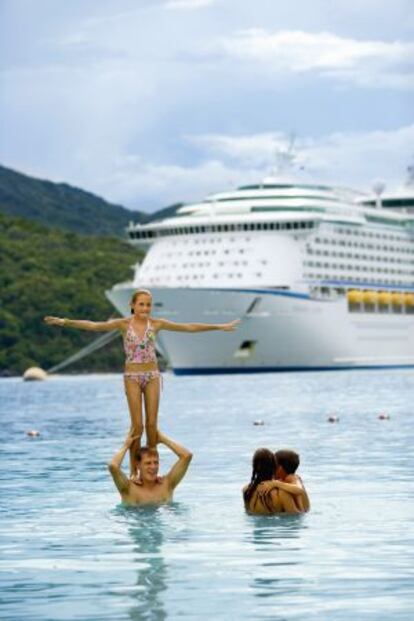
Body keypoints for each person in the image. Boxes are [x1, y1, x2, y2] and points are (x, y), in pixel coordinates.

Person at [44, 288, 239, 476]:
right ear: (132, 305)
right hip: (132, 378)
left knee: (152, 426)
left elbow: (188, 327)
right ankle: (134, 470)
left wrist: (219, 327)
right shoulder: (123, 324)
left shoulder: (157, 324)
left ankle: (152, 469)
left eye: (148, 305)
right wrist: (64, 322)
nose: (145, 308)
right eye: (142, 305)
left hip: (152, 376)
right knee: (137, 427)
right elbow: (94, 325)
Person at [108, 429, 192, 506]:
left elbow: (186, 456)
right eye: (148, 463)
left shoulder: (167, 484)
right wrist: (125, 446)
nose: (153, 467)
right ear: (138, 465)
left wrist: (163, 439)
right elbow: (113, 466)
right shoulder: (128, 488)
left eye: (156, 462)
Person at [243, 448, 302, 515]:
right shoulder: (283, 493)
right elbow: (295, 518)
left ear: (254, 467)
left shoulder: (246, 491)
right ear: (274, 466)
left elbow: (248, 514)